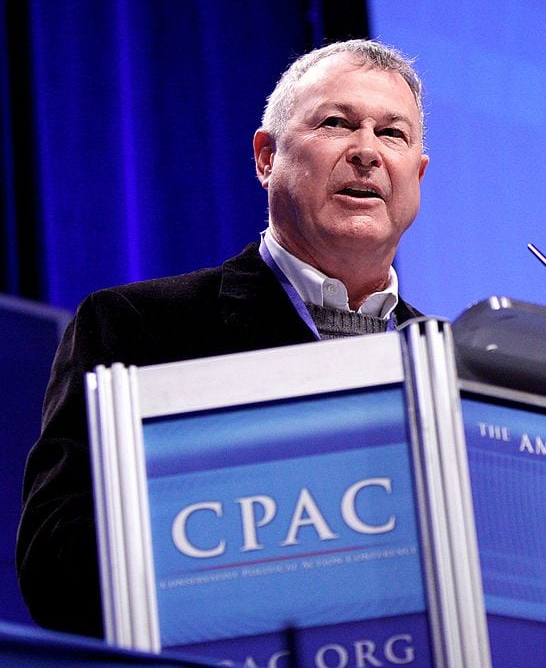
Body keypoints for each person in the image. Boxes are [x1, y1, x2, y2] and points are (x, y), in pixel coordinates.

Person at [16, 39, 430, 638]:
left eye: (392, 134)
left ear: (417, 175)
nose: (366, 151)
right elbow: (56, 568)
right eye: (337, 123)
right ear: (266, 158)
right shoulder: (137, 326)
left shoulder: (453, 367)